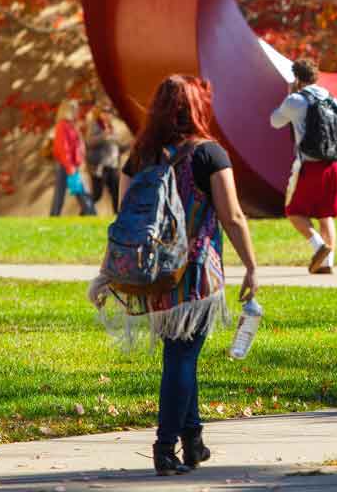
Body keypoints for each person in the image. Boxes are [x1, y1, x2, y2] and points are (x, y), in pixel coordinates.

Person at [87, 75, 259, 476]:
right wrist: (251, 266)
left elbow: (125, 221)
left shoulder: (140, 157)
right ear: (198, 108)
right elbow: (232, 216)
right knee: (182, 358)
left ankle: (193, 441)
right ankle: (165, 447)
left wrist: (106, 273)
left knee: (181, 353)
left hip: (152, 274)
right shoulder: (210, 154)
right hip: (195, 274)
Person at [268, 59, 337, 274]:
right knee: (325, 214)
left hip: (310, 165)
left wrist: (289, 94)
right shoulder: (332, 99)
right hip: (336, 163)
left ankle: (319, 246)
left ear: (297, 78)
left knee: (294, 212)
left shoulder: (296, 100)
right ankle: (327, 264)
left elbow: (275, 121)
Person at [49, 100, 96, 217]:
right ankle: (90, 212)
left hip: (72, 164)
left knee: (71, 190)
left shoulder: (71, 125)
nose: (77, 111)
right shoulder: (62, 125)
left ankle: (55, 215)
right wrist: (70, 166)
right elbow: (62, 147)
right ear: (69, 110)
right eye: (75, 109)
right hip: (66, 164)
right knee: (76, 189)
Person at [86, 107, 123, 215]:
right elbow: (89, 142)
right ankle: (84, 212)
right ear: (100, 114)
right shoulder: (95, 125)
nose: (107, 115)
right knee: (97, 194)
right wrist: (104, 135)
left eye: (109, 112)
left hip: (113, 165)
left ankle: (117, 217)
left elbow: (115, 144)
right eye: (105, 112)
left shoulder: (111, 126)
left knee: (116, 192)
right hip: (101, 166)